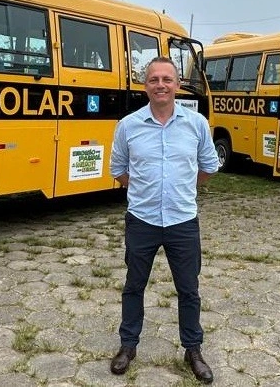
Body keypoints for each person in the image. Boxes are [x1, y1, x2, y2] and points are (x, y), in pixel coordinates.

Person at [108, 56, 220, 383]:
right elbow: (118, 170)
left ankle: (193, 349)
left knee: (189, 290)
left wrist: (182, 188)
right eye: (154, 79)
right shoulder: (128, 126)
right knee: (134, 286)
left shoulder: (196, 124)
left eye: (167, 79)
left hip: (182, 222)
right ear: (145, 85)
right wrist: (145, 191)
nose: (161, 85)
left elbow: (208, 167)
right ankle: (128, 346)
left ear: (177, 84)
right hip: (141, 220)